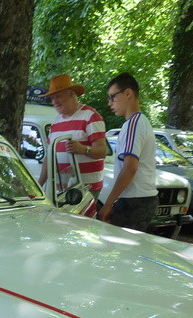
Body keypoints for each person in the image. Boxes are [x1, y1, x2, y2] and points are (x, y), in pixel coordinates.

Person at [97, 72, 158, 231]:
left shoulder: (133, 125)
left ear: (128, 93)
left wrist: (108, 203)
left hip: (134, 201)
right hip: (142, 199)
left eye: (112, 97)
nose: (109, 103)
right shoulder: (142, 122)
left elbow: (130, 167)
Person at [37, 74, 107, 198]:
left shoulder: (90, 116)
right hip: (61, 191)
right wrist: (38, 185)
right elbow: (49, 157)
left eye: (58, 96)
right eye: (52, 98)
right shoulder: (56, 122)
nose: (55, 101)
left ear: (72, 94)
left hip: (85, 190)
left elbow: (102, 151)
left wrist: (83, 149)